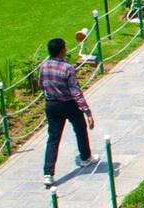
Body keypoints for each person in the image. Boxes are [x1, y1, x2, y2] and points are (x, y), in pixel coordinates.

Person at [39, 38, 97, 187]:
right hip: (68, 104)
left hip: (51, 105)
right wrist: (87, 111)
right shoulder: (67, 68)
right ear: (62, 51)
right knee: (80, 129)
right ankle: (85, 157)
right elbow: (75, 91)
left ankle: (48, 173)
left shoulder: (44, 66)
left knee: (53, 138)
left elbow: (41, 85)